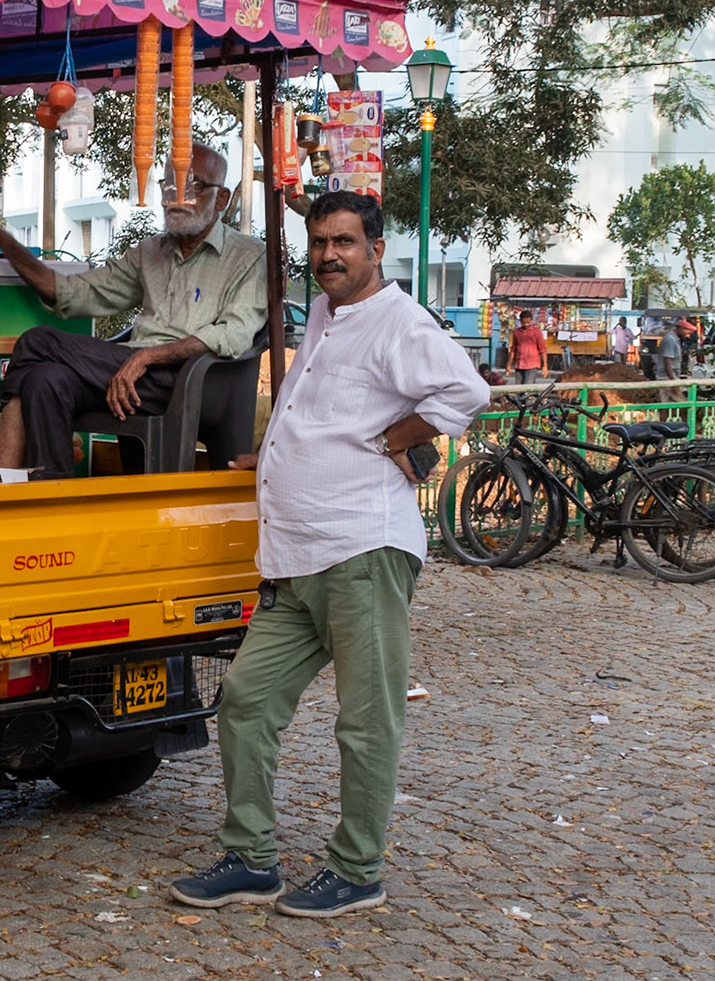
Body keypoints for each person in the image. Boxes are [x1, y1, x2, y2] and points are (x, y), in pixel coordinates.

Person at [171, 190, 487, 919]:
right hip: (295, 555)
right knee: (247, 701)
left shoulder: (400, 321)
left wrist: (400, 439)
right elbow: (320, 406)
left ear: (376, 248)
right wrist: (276, 452)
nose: (329, 256)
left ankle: (357, 870)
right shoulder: (324, 311)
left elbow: (466, 392)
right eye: (318, 243)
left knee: (366, 719)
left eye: (344, 242)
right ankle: (252, 860)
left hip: (362, 549)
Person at [0, 144, 266, 479]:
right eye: (169, 184)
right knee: (43, 379)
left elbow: (235, 334)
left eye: (190, 185)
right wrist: (0, 238)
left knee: (35, 341)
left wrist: (149, 357)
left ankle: (2, 478)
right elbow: (72, 293)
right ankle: (51, 497)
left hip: (198, 379)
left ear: (221, 199)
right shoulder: (151, 252)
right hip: (134, 377)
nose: (175, 197)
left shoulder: (250, 256)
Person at [507, 309, 546, 384]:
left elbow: (543, 350)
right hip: (519, 365)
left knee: (528, 389)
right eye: (523, 323)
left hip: (532, 365)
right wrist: (508, 365)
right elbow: (513, 350)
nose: (526, 325)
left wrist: (545, 366)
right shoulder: (517, 333)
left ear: (531, 321)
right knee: (518, 389)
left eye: (528, 322)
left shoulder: (536, 332)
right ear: (520, 321)